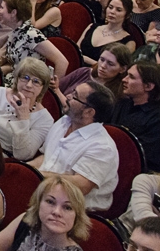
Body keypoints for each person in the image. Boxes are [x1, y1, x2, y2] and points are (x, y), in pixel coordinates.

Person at [31, 81, 119, 211]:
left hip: (73, 208)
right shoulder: (64, 121)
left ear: (89, 112)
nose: (68, 96)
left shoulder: (102, 147)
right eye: (72, 92)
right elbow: (47, 157)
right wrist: (25, 169)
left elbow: (80, 186)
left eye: (75, 96)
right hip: (44, 190)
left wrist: (35, 176)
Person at [0, 57, 55, 160]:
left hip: (1, 160)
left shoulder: (45, 119)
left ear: (43, 87)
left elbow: (23, 155)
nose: (29, 85)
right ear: (17, 79)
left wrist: (23, 119)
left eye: (36, 81)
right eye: (25, 78)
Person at [112, 62, 160, 172]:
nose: (124, 79)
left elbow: (142, 158)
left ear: (148, 86)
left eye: (131, 77)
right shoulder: (122, 104)